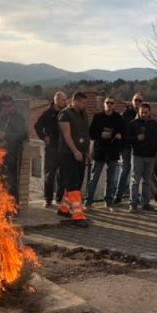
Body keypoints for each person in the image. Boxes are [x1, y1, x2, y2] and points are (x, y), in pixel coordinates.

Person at [56, 92, 91, 227]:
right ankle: (78, 216)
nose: (84, 105)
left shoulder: (83, 114)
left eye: (85, 103)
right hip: (68, 154)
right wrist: (75, 151)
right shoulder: (65, 114)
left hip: (81, 153)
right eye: (82, 102)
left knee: (76, 182)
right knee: (73, 183)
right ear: (75, 101)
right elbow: (66, 135)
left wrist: (87, 152)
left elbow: (85, 134)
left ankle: (64, 208)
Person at [86, 96, 124, 209]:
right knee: (94, 177)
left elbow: (123, 131)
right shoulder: (97, 117)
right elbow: (91, 133)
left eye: (111, 103)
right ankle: (88, 201)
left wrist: (119, 135)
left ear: (114, 105)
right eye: (107, 102)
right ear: (104, 104)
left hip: (113, 151)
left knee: (111, 179)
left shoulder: (118, 118)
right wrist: (100, 135)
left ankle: (108, 201)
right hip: (100, 151)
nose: (109, 105)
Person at [0, 95, 29, 213]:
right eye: (3, 106)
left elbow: (22, 135)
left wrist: (6, 136)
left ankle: (13, 208)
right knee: (0, 181)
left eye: (8, 106)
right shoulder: (0, 117)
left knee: (12, 182)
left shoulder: (18, 118)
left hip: (13, 154)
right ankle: (2, 206)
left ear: (13, 106)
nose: (6, 108)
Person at [126, 102, 157, 212]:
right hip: (137, 155)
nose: (144, 114)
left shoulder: (155, 124)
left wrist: (156, 149)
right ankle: (133, 204)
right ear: (139, 112)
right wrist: (137, 139)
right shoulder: (132, 124)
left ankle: (145, 203)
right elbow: (127, 139)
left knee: (147, 181)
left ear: (149, 112)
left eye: (146, 113)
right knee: (135, 181)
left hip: (151, 156)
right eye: (142, 112)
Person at [34, 91, 67, 207]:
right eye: (63, 100)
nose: (65, 102)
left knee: (62, 175)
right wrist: (43, 137)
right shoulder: (48, 113)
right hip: (51, 148)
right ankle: (48, 199)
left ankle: (59, 198)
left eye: (65, 100)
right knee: (50, 175)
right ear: (56, 100)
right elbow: (37, 126)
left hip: (63, 148)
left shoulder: (66, 114)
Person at [114, 92, 143, 204]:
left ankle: (133, 198)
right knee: (125, 170)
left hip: (138, 148)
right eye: (136, 100)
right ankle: (118, 195)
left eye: (140, 101)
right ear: (132, 101)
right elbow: (122, 131)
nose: (137, 103)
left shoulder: (142, 115)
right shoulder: (126, 114)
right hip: (127, 146)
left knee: (136, 173)